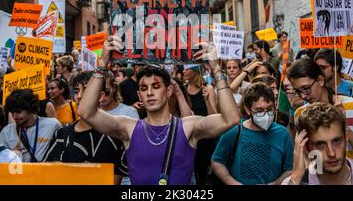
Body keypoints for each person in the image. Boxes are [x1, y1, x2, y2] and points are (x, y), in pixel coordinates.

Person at [78, 36, 240, 185]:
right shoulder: (129, 128)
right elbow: (87, 112)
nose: (149, 92)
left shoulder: (188, 126)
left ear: (168, 91)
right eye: (144, 88)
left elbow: (230, 119)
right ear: (139, 95)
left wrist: (216, 67)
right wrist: (103, 62)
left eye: (156, 86)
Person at [288, 58, 353, 172]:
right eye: (297, 91)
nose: (303, 96)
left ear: (320, 80)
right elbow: (308, 163)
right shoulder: (301, 114)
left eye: (306, 88)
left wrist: (344, 126)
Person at [44, 71, 128, 185]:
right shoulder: (61, 134)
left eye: (87, 91)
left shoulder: (114, 137)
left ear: (101, 96)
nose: (79, 96)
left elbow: (114, 181)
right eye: (77, 91)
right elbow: (50, 175)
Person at [283, 102, 353, 185]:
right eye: (320, 144)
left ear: (346, 138)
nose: (331, 153)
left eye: (336, 141)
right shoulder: (294, 182)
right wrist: (296, 177)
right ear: (306, 147)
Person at [212, 82, 293, 185]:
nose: (266, 115)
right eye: (259, 110)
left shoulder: (283, 134)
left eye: (269, 109)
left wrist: (275, 183)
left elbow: (290, 169)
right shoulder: (235, 131)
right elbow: (217, 161)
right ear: (247, 109)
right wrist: (233, 183)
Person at [0, 89, 61, 162]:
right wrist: (11, 155)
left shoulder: (53, 125)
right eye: (12, 112)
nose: (14, 116)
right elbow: (0, 161)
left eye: (18, 112)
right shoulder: (6, 132)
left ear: (30, 108)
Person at [183, 64, 218, 184]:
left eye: (187, 69)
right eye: (183, 68)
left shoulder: (207, 88)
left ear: (195, 69)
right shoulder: (184, 88)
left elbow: (214, 117)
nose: (184, 71)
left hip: (205, 138)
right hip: (188, 136)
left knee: (203, 173)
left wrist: (207, 100)